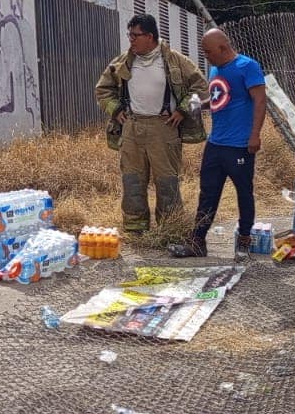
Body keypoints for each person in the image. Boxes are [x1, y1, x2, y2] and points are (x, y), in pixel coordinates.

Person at [97, 14, 211, 236]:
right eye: (129, 35)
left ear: (149, 36)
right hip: (132, 128)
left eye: (135, 35)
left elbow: (200, 87)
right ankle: (135, 228)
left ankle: (170, 229)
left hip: (164, 128)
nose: (131, 40)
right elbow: (102, 90)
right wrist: (117, 110)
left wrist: (182, 110)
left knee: (167, 181)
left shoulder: (175, 61)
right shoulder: (122, 62)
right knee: (132, 179)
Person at [170, 28, 266, 260]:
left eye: (208, 51)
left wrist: (255, 134)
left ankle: (244, 240)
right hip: (216, 143)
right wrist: (199, 104)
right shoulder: (215, 69)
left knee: (244, 193)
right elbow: (219, 99)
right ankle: (197, 241)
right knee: (207, 193)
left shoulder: (247, 67)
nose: (205, 56)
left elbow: (260, 100)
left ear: (223, 48)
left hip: (239, 145)